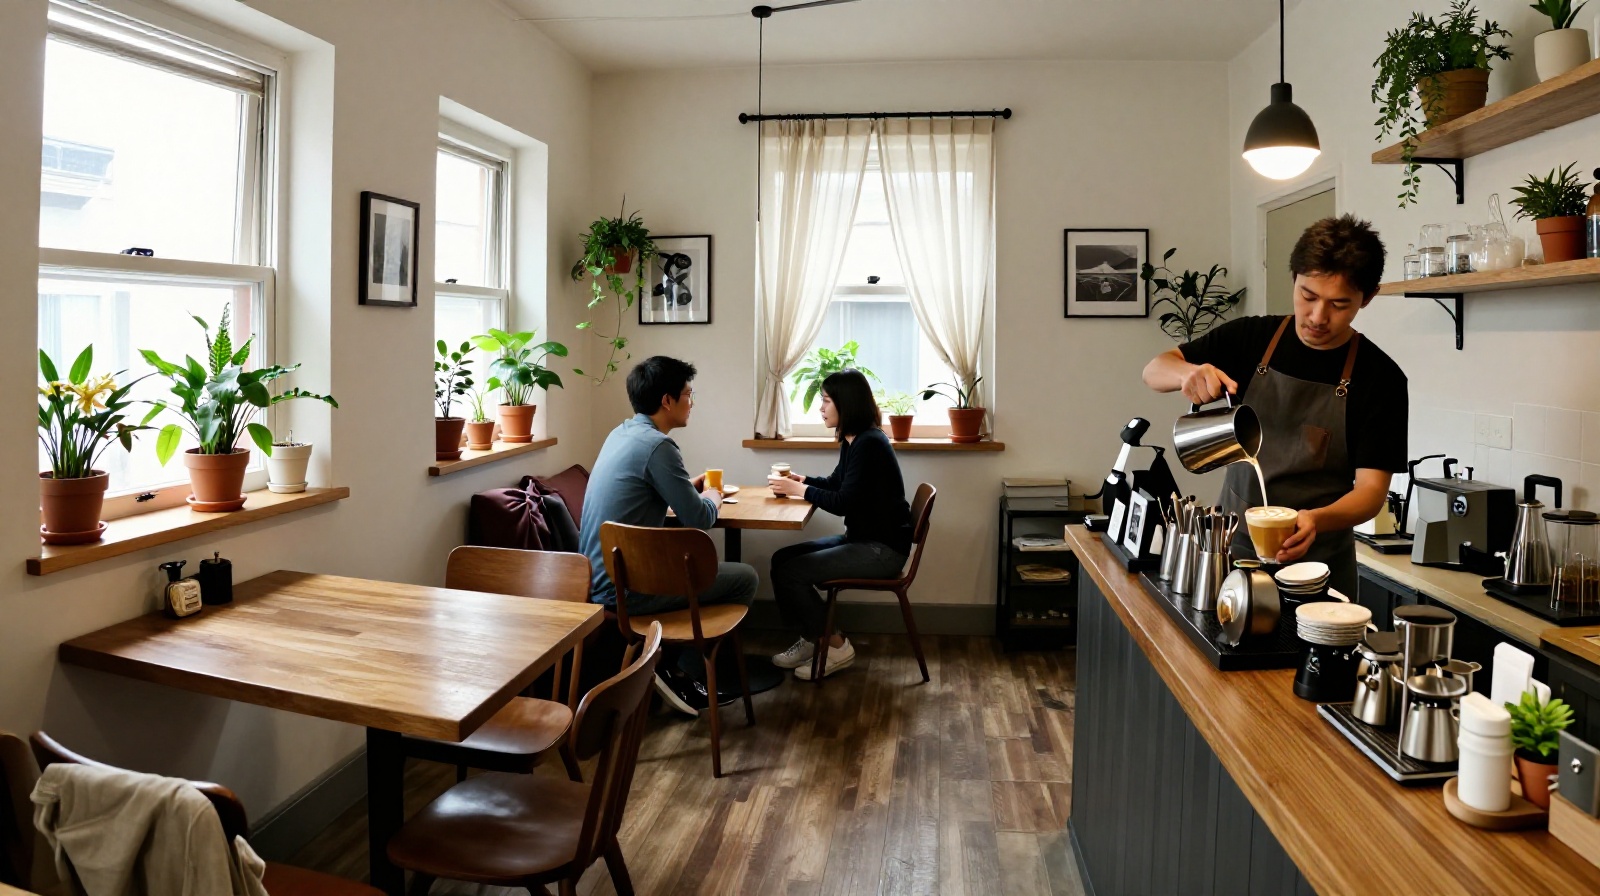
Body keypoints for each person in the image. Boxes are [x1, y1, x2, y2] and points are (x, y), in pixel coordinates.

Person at [1141, 214, 1407, 599]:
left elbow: (1370, 491)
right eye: (1308, 296)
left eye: (1338, 304)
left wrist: (1317, 519)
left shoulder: (1380, 377)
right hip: (1229, 553)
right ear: (1293, 279)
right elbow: (1153, 370)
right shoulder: (1252, 338)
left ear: (1367, 298)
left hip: (1319, 567)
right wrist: (1186, 373)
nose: (1317, 317)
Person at [579, 356, 758, 715]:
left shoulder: (622, 433)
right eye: (689, 394)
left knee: (711, 572)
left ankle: (668, 667)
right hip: (627, 590)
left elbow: (643, 492)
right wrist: (713, 496)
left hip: (598, 578)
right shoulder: (660, 447)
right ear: (667, 400)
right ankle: (682, 671)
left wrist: (686, 490)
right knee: (744, 577)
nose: (692, 402)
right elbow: (698, 518)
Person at [766, 369, 913, 680]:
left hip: (882, 550)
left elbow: (844, 501)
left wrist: (800, 491)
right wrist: (802, 480)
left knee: (793, 572)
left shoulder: (870, 443)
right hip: (863, 538)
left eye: (826, 401)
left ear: (846, 404)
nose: (821, 408)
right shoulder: (854, 440)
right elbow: (836, 483)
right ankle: (813, 637)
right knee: (782, 560)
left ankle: (835, 645)